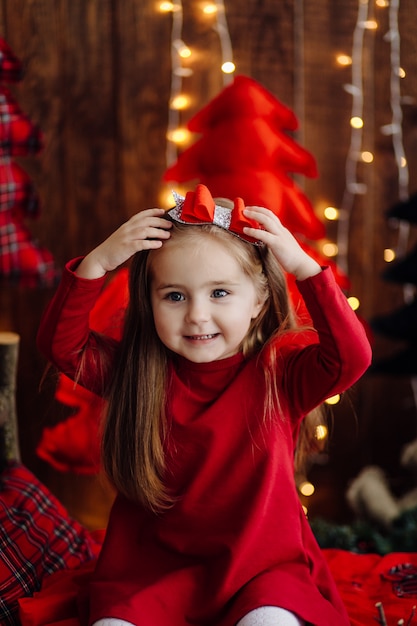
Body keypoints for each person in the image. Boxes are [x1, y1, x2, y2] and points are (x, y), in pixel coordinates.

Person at [37, 183, 372, 626]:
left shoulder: (280, 372)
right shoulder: (137, 371)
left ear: (259, 301)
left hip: (261, 569)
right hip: (151, 572)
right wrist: (97, 263)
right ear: (149, 302)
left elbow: (352, 358)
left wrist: (306, 269)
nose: (196, 314)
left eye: (219, 293)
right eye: (175, 296)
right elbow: (61, 345)